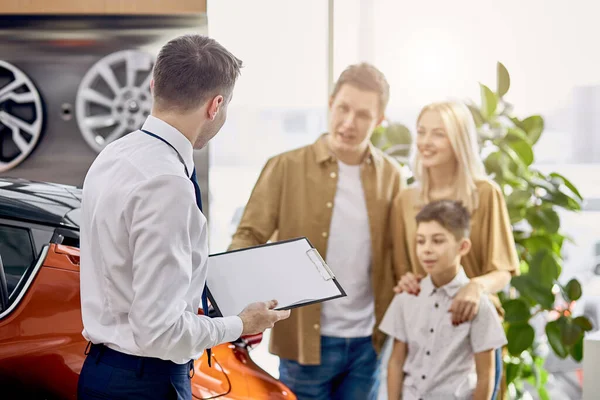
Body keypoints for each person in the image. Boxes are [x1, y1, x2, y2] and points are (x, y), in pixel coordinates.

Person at [78, 34, 290, 400]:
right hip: (146, 383)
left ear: (153, 85)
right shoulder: (168, 185)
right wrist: (242, 324)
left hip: (101, 373)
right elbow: (160, 332)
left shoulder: (113, 155)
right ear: (216, 105)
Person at [229, 63, 405, 399]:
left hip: (368, 344)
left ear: (380, 120)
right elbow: (248, 237)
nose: (349, 123)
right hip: (305, 342)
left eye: (363, 115)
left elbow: (399, 252)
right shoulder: (285, 166)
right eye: (343, 108)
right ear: (330, 103)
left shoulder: (392, 176)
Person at [391, 100, 519, 399]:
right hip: (423, 339)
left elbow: (504, 270)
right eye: (421, 132)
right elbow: (404, 270)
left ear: (458, 140)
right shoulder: (405, 200)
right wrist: (407, 280)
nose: (425, 142)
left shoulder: (485, 195)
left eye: (438, 133)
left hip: (473, 337)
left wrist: (476, 286)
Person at [381, 199, 508, 400]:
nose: (427, 249)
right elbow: (396, 362)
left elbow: (486, 375)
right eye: (420, 241)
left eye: (438, 240)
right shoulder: (406, 297)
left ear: (463, 246)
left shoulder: (479, 305)